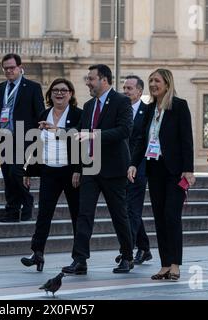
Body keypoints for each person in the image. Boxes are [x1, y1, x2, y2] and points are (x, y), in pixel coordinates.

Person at [61, 64, 134, 275]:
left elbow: (124, 130)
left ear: (103, 80)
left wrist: (96, 135)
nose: (88, 83)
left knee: (119, 215)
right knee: (84, 214)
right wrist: (59, 130)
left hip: (113, 169)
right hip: (90, 168)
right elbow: (81, 131)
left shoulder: (121, 101)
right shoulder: (89, 105)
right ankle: (80, 260)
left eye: (91, 79)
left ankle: (127, 257)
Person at [128, 68, 195, 281]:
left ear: (167, 83)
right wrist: (133, 164)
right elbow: (142, 140)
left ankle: (175, 264)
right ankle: (165, 264)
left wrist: (189, 169)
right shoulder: (149, 109)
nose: (153, 84)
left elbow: (187, 140)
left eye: (157, 81)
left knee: (171, 217)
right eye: (150, 81)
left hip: (175, 171)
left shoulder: (179, 106)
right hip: (154, 169)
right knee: (159, 218)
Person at [20, 78, 82, 272]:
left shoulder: (78, 114)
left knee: (77, 216)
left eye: (64, 90)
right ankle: (37, 253)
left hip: (70, 171)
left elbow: (82, 141)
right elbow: (38, 144)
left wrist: (79, 169)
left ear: (70, 94)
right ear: (50, 94)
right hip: (49, 170)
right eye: (55, 90)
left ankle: (80, 259)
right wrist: (29, 170)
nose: (59, 93)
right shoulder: (44, 113)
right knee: (44, 214)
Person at [0, 53, 45, 222]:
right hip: (4, 139)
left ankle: (28, 202)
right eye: (6, 68)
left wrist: (40, 138)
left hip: (24, 138)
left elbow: (40, 114)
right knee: (7, 175)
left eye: (12, 68)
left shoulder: (32, 87)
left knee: (17, 172)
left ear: (20, 67)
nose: (9, 71)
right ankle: (12, 210)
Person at [121, 75, 152, 265]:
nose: (125, 91)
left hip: (139, 166)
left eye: (129, 88)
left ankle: (127, 250)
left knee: (132, 208)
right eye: (124, 88)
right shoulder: (118, 110)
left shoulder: (147, 111)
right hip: (120, 165)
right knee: (127, 208)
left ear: (139, 92)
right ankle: (144, 248)